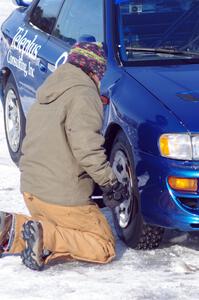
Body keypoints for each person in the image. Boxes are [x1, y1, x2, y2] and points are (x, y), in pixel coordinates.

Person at [0, 42, 128, 271]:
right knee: (103, 245)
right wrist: (110, 182)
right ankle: (36, 233)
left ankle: (11, 228)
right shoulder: (84, 94)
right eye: (101, 74)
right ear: (94, 71)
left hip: (32, 191)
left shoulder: (51, 89)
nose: (101, 81)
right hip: (60, 197)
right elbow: (86, 148)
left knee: (57, 230)